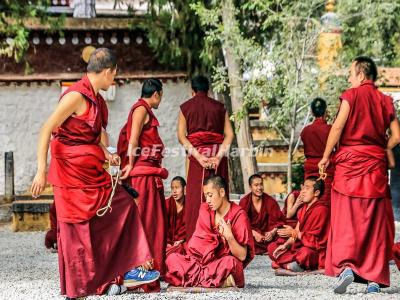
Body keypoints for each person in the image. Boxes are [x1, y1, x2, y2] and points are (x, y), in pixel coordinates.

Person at [30, 48, 159, 299]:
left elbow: (88, 134)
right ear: (108, 71)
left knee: (123, 205)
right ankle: (77, 289)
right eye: (115, 75)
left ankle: (126, 268)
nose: (115, 80)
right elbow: (47, 129)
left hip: (91, 172)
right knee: (75, 233)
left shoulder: (97, 99)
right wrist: (40, 170)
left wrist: (105, 151)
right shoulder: (76, 96)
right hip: (70, 175)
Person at [318, 56, 400, 294]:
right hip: (374, 167)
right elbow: (396, 135)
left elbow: (338, 127)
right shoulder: (385, 100)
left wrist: (325, 156)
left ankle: (346, 267)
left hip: (348, 167)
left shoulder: (351, 96)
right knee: (374, 223)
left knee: (347, 221)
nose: (349, 78)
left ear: (361, 75)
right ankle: (374, 279)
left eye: (351, 74)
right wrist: (383, 148)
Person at [117, 78, 167, 292]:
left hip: (148, 173)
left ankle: (149, 274)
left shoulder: (144, 109)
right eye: (161, 96)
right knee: (146, 224)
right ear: (156, 94)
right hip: (142, 176)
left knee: (154, 224)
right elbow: (134, 139)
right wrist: (128, 164)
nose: (160, 99)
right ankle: (142, 276)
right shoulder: (140, 109)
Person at [165, 175, 255, 288]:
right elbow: (197, 243)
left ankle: (192, 279)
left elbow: (242, 256)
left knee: (232, 263)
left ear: (222, 192)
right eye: (205, 196)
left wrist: (229, 237)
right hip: (199, 262)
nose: (207, 200)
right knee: (172, 259)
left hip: (218, 264)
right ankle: (216, 280)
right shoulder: (205, 209)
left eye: (210, 195)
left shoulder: (239, 215)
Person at [177, 75, 234, 239]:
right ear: (207, 90)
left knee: (196, 198)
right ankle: (222, 238)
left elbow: (182, 137)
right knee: (219, 195)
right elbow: (229, 135)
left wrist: (198, 156)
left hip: (197, 159)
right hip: (218, 157)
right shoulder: (219, 107)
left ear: (192, 90)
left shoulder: (185, 107)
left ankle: (196, 240)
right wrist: (217, 156)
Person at [268, 177, 330, 273]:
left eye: (307, 188)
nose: (303, 192)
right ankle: (293, 266)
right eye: (303, 188)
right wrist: (286, 245)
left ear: (316, 193)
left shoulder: (322, 210)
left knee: (306, 253)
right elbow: (296, 231)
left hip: (313, 250)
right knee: (272, 247)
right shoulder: (302, 209)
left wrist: (293, 233)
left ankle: (285, 265)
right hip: (299, 248)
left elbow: (317, 242)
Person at [239, 174, 285, 255]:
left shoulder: (270, 201)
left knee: (283, 233)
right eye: (256, 185)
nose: (259, 188)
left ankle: (266, 247)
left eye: (261, 184)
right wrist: (254, 233)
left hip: (268, 235)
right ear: (250, 187)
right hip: (252, 235)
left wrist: (272, 232)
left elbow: (279, 221)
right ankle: (268, 248)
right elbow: (240, 223)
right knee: (241, 235)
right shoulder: (244, 202)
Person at [300, 98, 333, 204]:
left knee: (310, 200)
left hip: (310, 168)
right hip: (326, 169)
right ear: (325, 111)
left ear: (312, 112)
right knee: (326, 202)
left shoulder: (305, 131)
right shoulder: (331, 130)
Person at [166, 176, 186, 256]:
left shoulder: (189, 205)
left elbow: (189, 226)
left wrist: (181, 240)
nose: (174, 191)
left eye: (177, 187)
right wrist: (167, 242)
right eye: (172, 188)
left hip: (182, 242)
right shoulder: (166, 204)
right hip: (168, 243)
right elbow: (163, 226)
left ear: (184, 189)